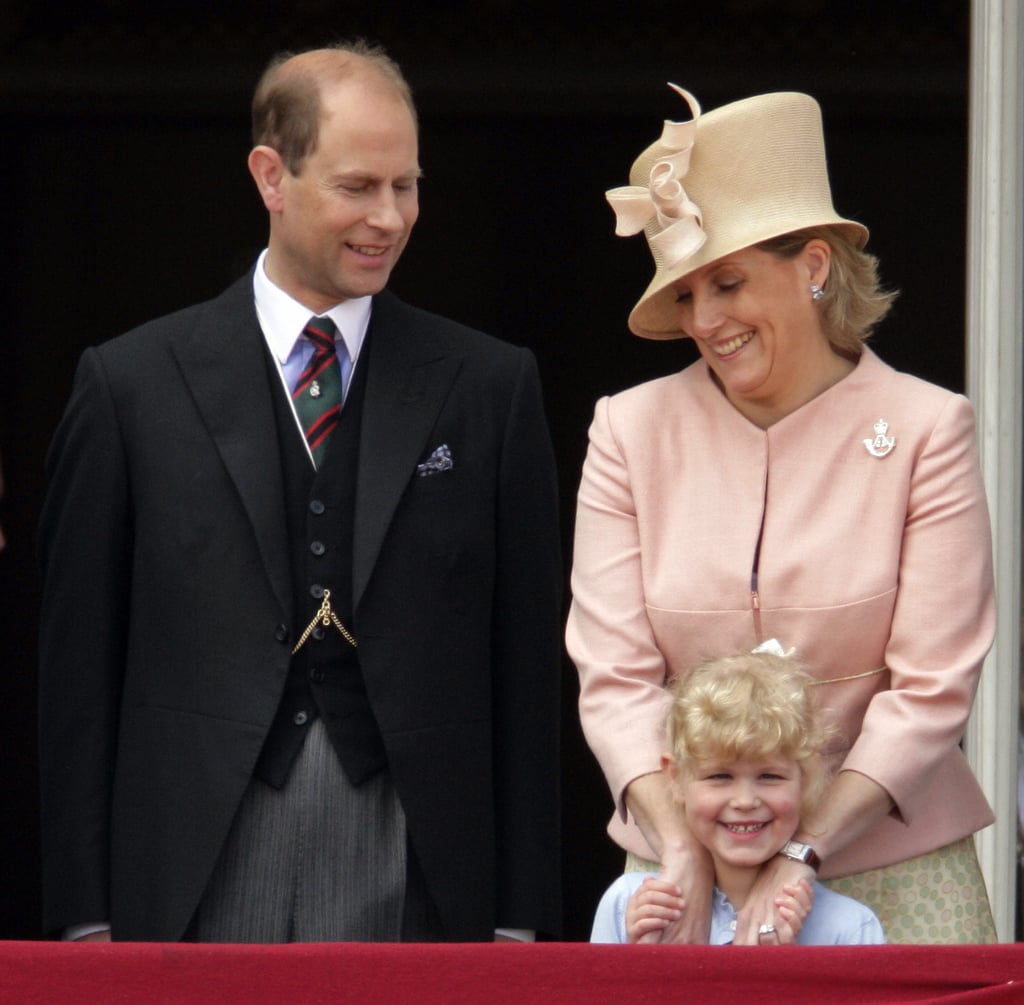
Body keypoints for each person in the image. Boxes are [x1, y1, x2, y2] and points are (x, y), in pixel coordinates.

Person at [38, 40, 562, 944]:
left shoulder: (489, 386)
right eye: (359, 186)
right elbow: (77, 673)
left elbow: (526, 670)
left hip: (419, 854)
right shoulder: (129, 385)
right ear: (271, 176)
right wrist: (83, 913)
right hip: (192, 852)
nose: (390, 217)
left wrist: (522, 918)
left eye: (408, 186)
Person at [566, 84, 996, 945]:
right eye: (686, 294)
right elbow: (613, 678)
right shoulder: (628, 428)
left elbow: (932, 686)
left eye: (728, 282)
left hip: (892, 868)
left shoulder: (926, 429)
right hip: (677, 871)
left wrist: (802, 847)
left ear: (813, 265)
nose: (706, 320)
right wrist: (682, 851)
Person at [590, 647, 885, 945]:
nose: (745, 801)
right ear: (677, 779)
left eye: (770, 776)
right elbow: (594, 993)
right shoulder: (628, 905)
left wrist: (785, 968)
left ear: (805, 780)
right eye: (720, 776)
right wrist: (638, 961)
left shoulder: (849, 929)